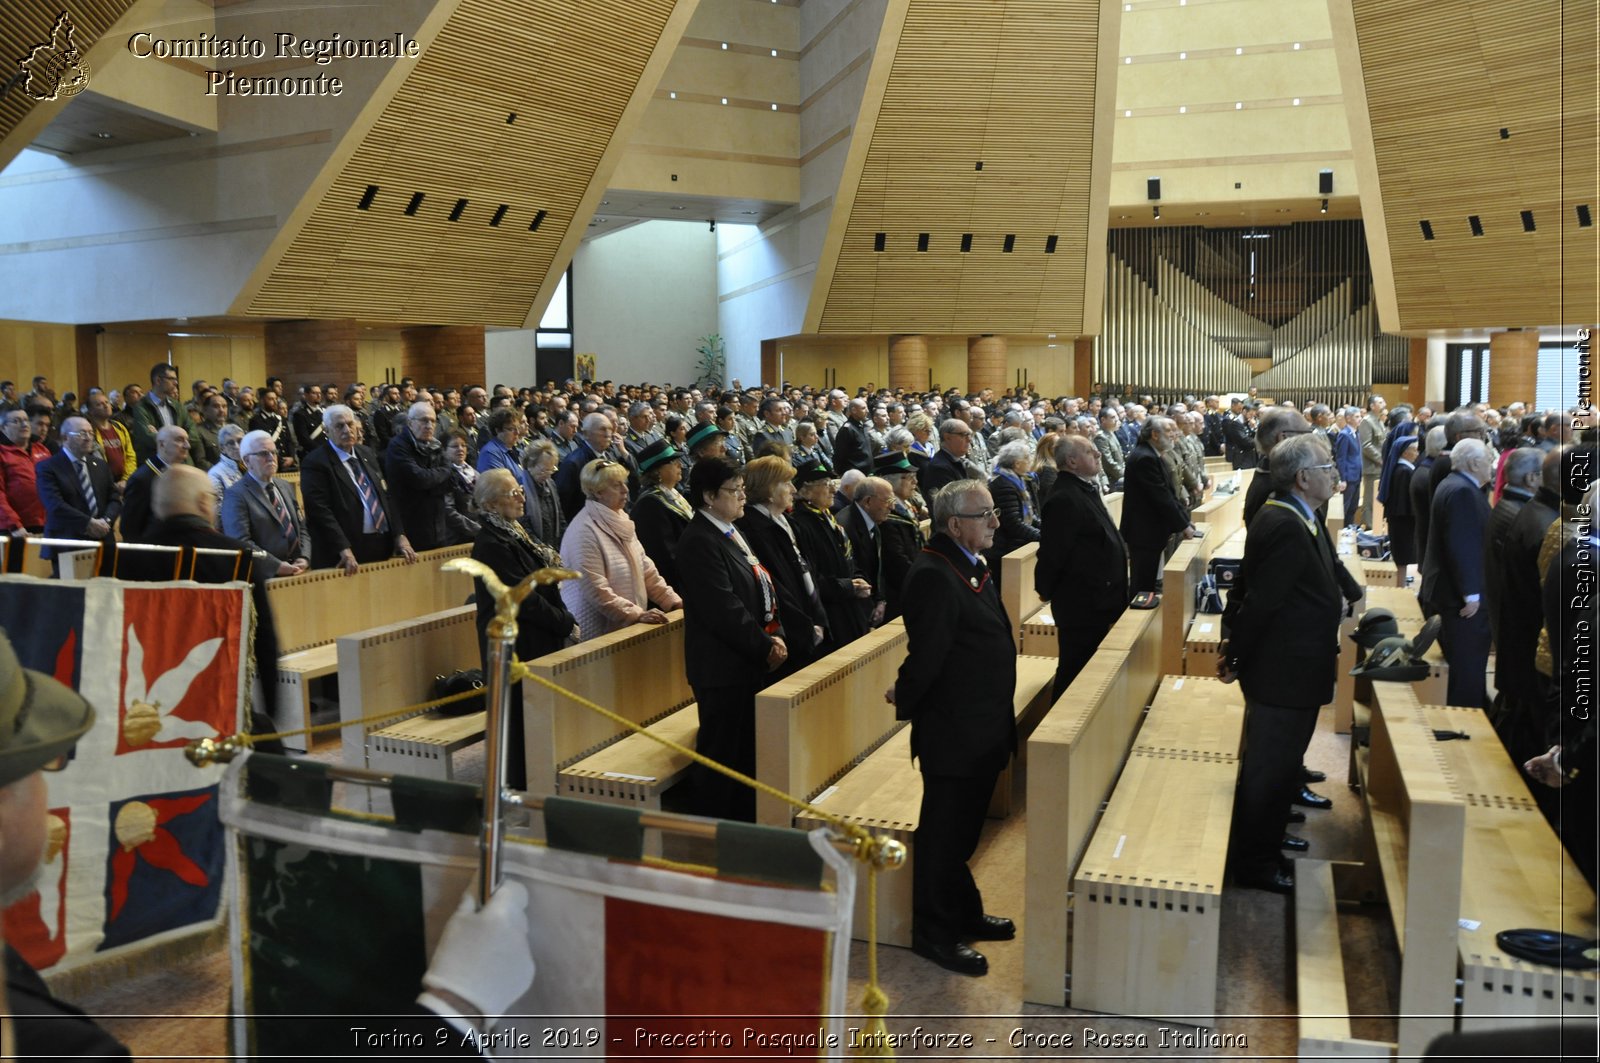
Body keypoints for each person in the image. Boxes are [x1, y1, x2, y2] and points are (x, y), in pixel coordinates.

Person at [886, 479, 1015, 977]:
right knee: (943, 837)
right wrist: (907, 694)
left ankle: (963, 910)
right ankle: (933, 932)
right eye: (985, 514)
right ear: (955, 523)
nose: (995, 521)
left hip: (981, 724)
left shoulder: (969, 564)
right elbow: (928, 653)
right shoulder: (934, 574)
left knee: (962, 833)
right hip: (955, 732)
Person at [1219, 434, 1351, 894]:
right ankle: (1256, 865)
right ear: (1303, 477)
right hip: (1282, 673)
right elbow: (1261, 602)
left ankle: (1267, 847)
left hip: (1295, 668)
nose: (1334, 472)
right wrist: (1235, 653)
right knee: (1269, 773)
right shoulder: (1285, 523)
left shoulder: (1299, 514)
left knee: (1278, 769)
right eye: (1327, 465)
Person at [674, 457, 788, 822]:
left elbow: (759, 585)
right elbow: (723, 607)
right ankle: (711, 830)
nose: (742, 497)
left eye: (742, 489)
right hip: (721, 666)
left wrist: (774, 632)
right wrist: (763, 644)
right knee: (722, 754)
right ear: (708, 496)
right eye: (733, 491)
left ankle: (742, 823)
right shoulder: (698, 541)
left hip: (744, 660)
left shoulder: (728, 530)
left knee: (743, 751)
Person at [469, 468, 579, 790]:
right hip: (513, 642)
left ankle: (539, 775)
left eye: (519, 489)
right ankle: (519, 785)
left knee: (534, 713)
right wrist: (564, 621)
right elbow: (523, 596)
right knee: (517, 716)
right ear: (490, 505)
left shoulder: (515, 530)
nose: (520, 496)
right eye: (511, 493)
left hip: (534, 638)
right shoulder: (491, 543)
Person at [1036, 435, 1129, 700]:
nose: (1098, 454)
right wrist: (1045, 589)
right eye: (1090, 451)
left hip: (1098, 598)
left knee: (1090, 669)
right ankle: (1056, 731)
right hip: (1082, 603)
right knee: (1076, 669)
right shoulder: (1064, 497)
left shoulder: (1084, 488)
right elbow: (1053, 553)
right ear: (1072, 461)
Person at [558, 458, 680, 641]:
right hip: (595, 635)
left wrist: (672, 601)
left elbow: (645, 567)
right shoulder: (583, 530)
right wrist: (636, 614)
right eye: (616, 486)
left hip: (625, 627)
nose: (626, 489)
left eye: (624, 483)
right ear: (597, 492)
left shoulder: (620, 518)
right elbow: (596, 589)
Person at [1419, 437, 1495, 709]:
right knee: (1466, 667)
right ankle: (1467, 723)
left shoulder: (1452, 484)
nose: (1492, 464)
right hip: (1458, 599)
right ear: (1474, 463)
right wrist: (1471, 594)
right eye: (1488, 459)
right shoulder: (1462, 491)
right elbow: (1462, 545)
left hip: (1446, 590)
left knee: (1464, 664)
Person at [736, 456, 828, 674]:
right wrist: (805, 628)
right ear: (769, 489)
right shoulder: (753, 528)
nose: (794, 490)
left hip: (810, 624)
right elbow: (773, 586)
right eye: (786, 483)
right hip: (791, 635)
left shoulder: (788, 522)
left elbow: (810, 572)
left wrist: (820, 619)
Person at [299, 404, 417, 573]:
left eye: (350, 424)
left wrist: (400, 534)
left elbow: (386, 496)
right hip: (345, 552)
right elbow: (320, 511)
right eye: (340, 426)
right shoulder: (315, 462)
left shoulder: (367, 453)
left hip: (380, 544)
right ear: (326, 430)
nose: (347, 430)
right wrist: (343, 548)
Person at [788, 461, 872, 654]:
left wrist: (860, 581)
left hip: (851, 607)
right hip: (833, 616)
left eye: (831, 483)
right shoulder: (801, 525)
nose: (833, 490)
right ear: (806, 490)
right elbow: (812, 579)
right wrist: (849, 586)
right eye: (825, 484)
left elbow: (849, 559)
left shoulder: (828, 517)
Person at [384, 400, 474, 553]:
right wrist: (440, 476)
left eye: (432, 421)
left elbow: (452, 480)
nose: (429, 425)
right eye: (424, 420)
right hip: (411, 524)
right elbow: (420, 479)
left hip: (438, 526)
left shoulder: (436, 445)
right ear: (411, 423)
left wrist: (431, 483)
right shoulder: (398, 445)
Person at [36, 415, 121, 572]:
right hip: (68, 541)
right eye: (82, 433)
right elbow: (55, 505)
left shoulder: (100, 465)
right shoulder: (48, 467)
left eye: (91, 433)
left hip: (103, 539)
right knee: (72, 595)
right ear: (65, 437)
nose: (88, 438)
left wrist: (106, 521)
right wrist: (88, 523)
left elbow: (114, 498)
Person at [1120, 417, 1196, 593]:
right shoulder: (1145, 458)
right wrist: (1183, 525)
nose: (1174, 434)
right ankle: (1136, 617)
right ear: (1154, 434)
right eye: (1169, 430)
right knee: (1142, 585)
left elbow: (1169, 493)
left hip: (1148, 531)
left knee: (1147, 581)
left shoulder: (1152, 455)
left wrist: (1185, 521)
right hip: (1143, 531)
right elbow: (1162, 497)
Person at [222, 431, 311, 576]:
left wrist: (305, 557)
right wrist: (275, 566)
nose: (271, 458)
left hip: (300, 571)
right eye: (263, 453)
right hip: (266, 577)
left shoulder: (285, 486)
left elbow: (302, 527)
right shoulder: (236, 494)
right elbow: (240, 542)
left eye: (274, 452)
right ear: (247, 460)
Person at [630, 438, 694, 590]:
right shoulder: (650, 504)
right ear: (657, 470)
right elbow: (665, 555)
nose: (680, 465)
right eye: (672, 462)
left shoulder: (672, 493)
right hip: (676, 583)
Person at [836, 475, 893, 628]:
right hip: (856, 611)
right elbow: (854, 571)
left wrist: (881, 600)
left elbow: (878, 567)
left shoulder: (874, 521)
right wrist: (871, 608)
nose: (892, 507)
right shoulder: (845, 526)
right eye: (887, 501)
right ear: (868, 501)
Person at [984, 440, 1041, 579]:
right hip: (1004, 549)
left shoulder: (1017, 479)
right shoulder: (1004, 485)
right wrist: (1041, 536)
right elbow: (1013, 522)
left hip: (1014, 543)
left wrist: (1043, 527)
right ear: (1017, 463)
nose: (1030, 461)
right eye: (1027, 458)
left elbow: (1027, 515)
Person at [1384, 435, 1420, 583]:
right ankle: (1400, 584)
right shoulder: (1404, 471)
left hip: (1401, 520)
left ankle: (1402, 581)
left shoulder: (1402, 469)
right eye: (1415, 450)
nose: (1417, 454)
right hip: (1403, 521)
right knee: (1403, 556)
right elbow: (1404, 501)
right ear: (1405, 453)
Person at [917, 419, 974, 500]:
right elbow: (954, 503)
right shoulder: (939, 468)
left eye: (969, 435)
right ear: (947, 437)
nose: (969, 439)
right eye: (964, 435)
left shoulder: (957, 460)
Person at [205, 423, 247, 523]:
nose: (237, 446)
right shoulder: (215, 474)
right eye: (231, 443)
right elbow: (218, 514)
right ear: (222, 448)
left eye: (240, 441)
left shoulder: (251, 465)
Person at [830, 397, 876, 475]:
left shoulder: (862, 425)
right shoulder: (847, 429)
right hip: (854, 474)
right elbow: (840, 455)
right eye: (863, 408)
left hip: (866, 473)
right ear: (854, 410)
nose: (867, 411)